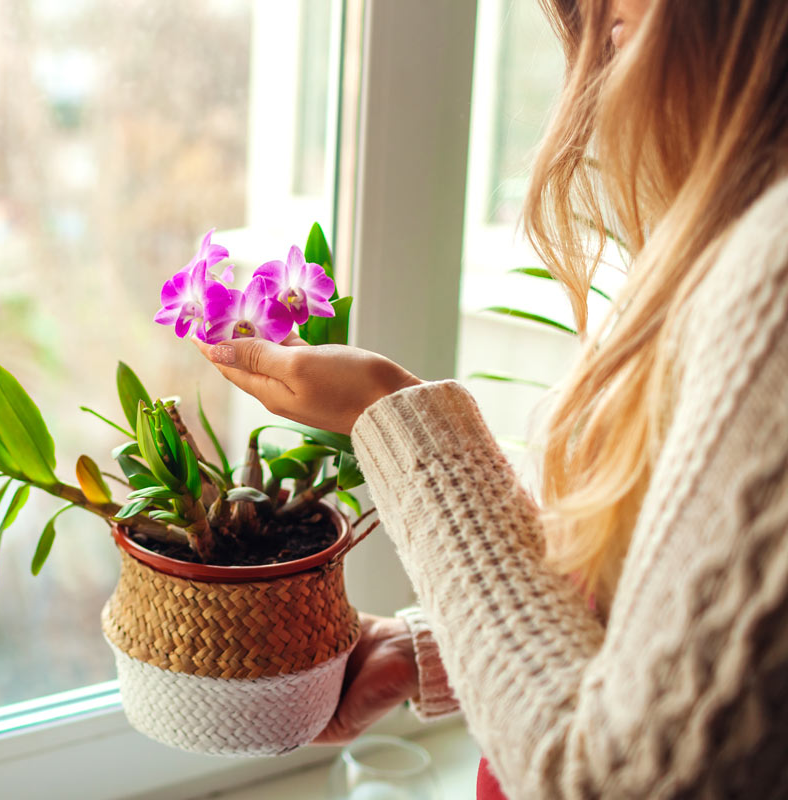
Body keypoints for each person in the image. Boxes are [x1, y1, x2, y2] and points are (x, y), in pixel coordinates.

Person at [198, 0, 788, 796]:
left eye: (620, 28)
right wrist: (438, 647)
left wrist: (397, 419)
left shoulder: (773, 271)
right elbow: (705, 641)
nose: (601, 86)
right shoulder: (743, 245)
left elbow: (618, 781)